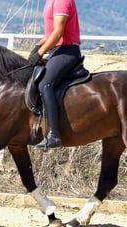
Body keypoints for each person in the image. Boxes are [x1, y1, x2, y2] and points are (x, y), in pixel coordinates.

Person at [28, 0, 82, 149]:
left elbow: (58, 32)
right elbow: (51, 32)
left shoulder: (61, 1)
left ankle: (54, 135)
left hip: (67, 51)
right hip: (57, 50)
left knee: (45, 83)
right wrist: (38, 46)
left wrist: (40, 53)